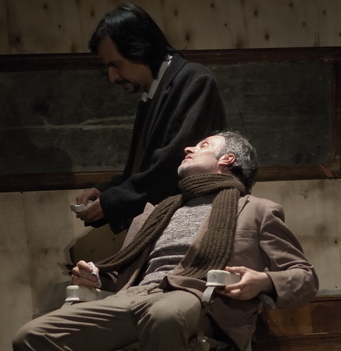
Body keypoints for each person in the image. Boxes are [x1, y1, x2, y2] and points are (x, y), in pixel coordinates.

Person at [14, 131, 318, 351]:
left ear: (228, 160)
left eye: (203, 145)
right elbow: (131, 272)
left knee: (165, 314)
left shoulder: (258, 210)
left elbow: (305, 277)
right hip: (136, 295)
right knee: (33, 338)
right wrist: (98, 279)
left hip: (199, 295)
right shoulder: (155, 213)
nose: (189, 148)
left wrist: (263, 281)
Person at [75, 3, 227, 233]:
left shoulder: (194, 80)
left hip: (190, 229)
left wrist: (114, 201)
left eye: (115, 64)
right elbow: (146, 169)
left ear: (140, 49)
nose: (112, 77)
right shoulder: (152, 94)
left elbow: (174, 165)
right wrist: (106, 192)